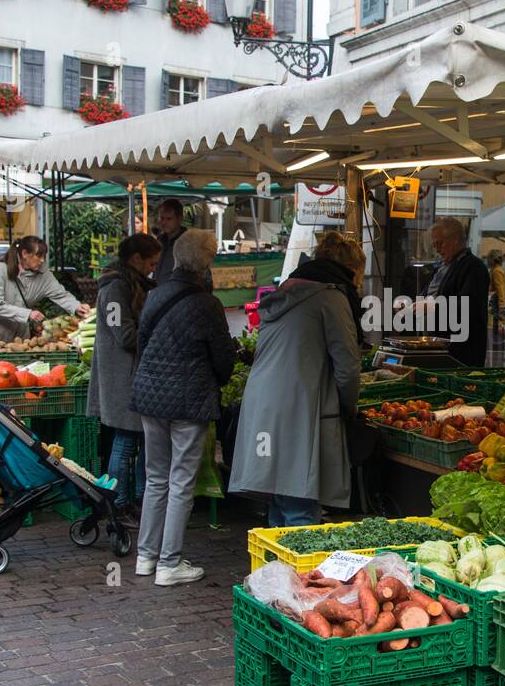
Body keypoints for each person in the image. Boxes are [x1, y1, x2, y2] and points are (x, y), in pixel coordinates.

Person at [229, 231, 363, 526]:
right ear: (352, 270)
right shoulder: (331, 297)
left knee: (281, 497)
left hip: (263, 404)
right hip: (298, 406)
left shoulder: (287, 291)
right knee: (301, 503)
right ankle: (297, 572)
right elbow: (348, 365)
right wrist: (350, 406)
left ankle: (277, 570)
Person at [129, 229, 236, 585]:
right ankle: (169, 564)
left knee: (156, 478)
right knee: (181, 482)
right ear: (205, 261)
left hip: (150, 398)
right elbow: (224, 360)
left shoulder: (154, 295)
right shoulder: (208, 304)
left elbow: (142, 345)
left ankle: (146, 557)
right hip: (189, 401)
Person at [88, 233, 162, 527]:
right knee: (126, 440)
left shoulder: (133, 284)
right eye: (151, 263)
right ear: (136, 259)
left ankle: (136, 502)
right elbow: (124, 335)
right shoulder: (114, 289)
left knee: (138, 440)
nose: (153, 269)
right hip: (121, 379)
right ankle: (116, 504)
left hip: (131, 376)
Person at [0, 236, 91, 346]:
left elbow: (61, 295)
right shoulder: (1, 270)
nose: (42, 260)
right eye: (38, 255)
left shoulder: (43, 275)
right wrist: (28, 314)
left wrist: (77, 306)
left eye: (44, 256)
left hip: (15, 337)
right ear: (24, 254)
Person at [421, 216, 490, 366]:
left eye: (440, 243)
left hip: (460, 352)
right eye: (434, 245)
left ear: (456, 240)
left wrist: (432, 306)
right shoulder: (441, 268)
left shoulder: (474, 267)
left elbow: (467, 306)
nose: (437, 249)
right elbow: (426, 296)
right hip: (437, 346)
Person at [151, 198, 186, 286]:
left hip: (178, 294)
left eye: (169, 219)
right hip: (158, 292)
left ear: (179, 219)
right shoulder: (159, 241)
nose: (164, 222)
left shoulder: (188, 243)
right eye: (162, 218)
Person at [488, 251, 505, 335]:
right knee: (497, 327)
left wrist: (502, 306)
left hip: (497, 302)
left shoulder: (497, 271)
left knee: (499, 326)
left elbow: (500, 289)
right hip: (496, 302)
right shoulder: (496, 270)